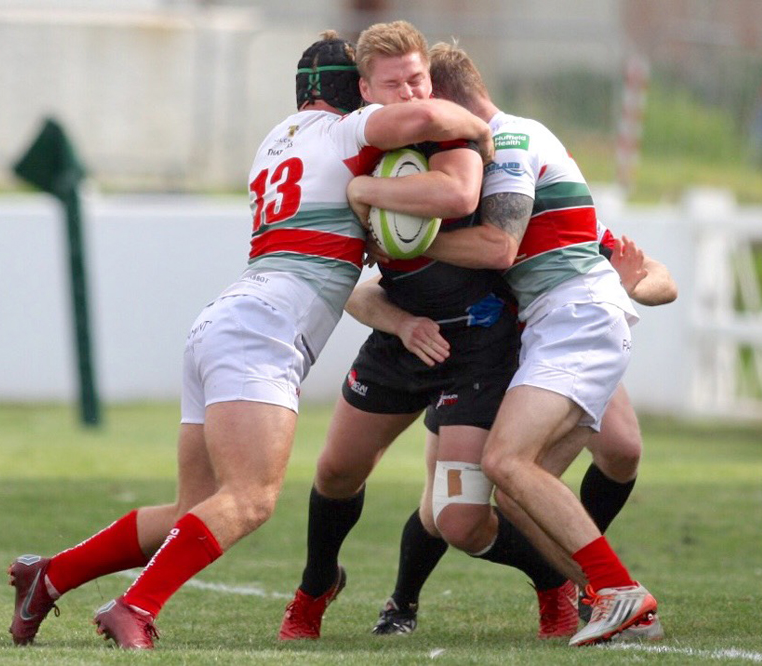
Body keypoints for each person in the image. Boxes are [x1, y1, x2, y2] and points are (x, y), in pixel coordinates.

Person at [7, 30, 493, 650]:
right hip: (263, 330)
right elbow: (424, 119)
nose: (400, 96)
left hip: (224, 320)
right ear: (355, 90)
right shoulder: (347, 130)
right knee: (251, 499)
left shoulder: (274, 141)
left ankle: (50, 575)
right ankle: (135, 607)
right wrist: (479, 129)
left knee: (193, 510)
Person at [278, 20, 577, 643]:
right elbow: (347, 285)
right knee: (335, 472)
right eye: (395, 85)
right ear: (366, 90)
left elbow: (458, 194)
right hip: (405, 339)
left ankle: (553, 582)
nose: (412, 93)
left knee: (461, 519)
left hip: (479, 345)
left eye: (418, 79)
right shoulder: (354, 147)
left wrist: (366, 189)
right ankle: (315, 586)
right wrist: (402, 321)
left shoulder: (449, 136)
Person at [416, 41, 658, 647]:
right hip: (565, 322)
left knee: (506, 462)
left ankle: (617, 591)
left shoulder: (509, 142)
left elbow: (499, 247)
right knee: (519, 493)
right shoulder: (505, 145)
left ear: (449, 104)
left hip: (575, 318)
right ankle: (612, 599)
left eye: (427, 118)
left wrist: (404, 242)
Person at [366, 227, 676, 639]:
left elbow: (662, 280)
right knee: (448, 514)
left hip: (557, 347)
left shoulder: (556, 222)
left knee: (622, 450)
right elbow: (365, 291)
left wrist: (627, 286)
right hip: (483, 365)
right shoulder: (471, 228)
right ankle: (404, 600)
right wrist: (404, 322)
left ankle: (590, 581)